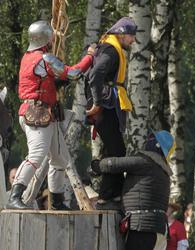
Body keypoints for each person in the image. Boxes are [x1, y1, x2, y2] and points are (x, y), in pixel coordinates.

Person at [6, 20, 94, 210]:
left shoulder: (28, 57)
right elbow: (73, 73)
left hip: (44, 113)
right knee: (36, 155)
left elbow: (40, 83)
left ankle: (57, 202)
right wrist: (89, 57)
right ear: (46, 38)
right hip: (37, 113)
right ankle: (15, 195)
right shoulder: (43, 58)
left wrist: (54, 85)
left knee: (60, 158)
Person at [89, 130, 175, 250]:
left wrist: (97, 165)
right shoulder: (164, 171)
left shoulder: (145, 161)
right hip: (159, 229)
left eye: (151, 139)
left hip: (142, 228)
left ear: (156, 145)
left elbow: (113, 164)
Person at [85, 17, 137, 210]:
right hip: (106, 106)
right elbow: (95, 75)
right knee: (117, 152)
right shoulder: (111, 50)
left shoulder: (110, 48)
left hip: (109, 105)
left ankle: (113, 195)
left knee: (113, 150)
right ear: (122, 34)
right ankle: (108, 196)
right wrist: (98, 102)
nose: (133, 40)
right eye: (131, 36)